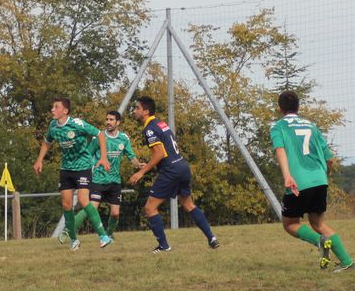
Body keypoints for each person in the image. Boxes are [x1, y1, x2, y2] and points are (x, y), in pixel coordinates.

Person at [270, 90, 355, 272]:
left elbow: (280, 150)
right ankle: (347, 262)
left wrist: (287, 176)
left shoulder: (278, 127)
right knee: (318, 224)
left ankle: (319, 242)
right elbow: (329, 159)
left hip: (298, 182)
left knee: (290, 224)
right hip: (319, 179)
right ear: (298, 107)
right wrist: (326, 175)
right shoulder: (312, 126)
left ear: (280, 108)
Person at [128, 96, 219, 253]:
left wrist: (141, 172)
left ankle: (164, 246)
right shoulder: (161, 123)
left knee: (150, 208)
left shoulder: (149, 128)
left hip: (171, 170)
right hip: (182, 166)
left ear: (146, 111)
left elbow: (159, 154)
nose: (134, 111)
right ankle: (212, 238)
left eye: (137, 108)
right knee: (188, 204)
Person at [34, 97, 113, 250]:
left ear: (65, 111)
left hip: (83, 167)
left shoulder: (77, 124)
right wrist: (39, 160)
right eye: (52, 107)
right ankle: (73, 240)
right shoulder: (53, 126)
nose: (52, 110)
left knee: (84, 200)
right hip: (66, 168)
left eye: (56, 107)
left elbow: (100, 135)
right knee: (66, 204)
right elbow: (47, 142)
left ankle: (103, 236)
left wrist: (103, 157)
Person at [63, 110, 141, 242]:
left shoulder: (124, 138)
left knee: (115, 213)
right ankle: (68, 230)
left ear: (118, 122)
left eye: (111, 120)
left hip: (115, 180)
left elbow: (131, 156)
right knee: (91, 207)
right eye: (107, 119)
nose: (108, 122)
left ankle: (109, 235)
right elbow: (87, 155)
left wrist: (139, 165)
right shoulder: (98, 137)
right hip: (97, 179)